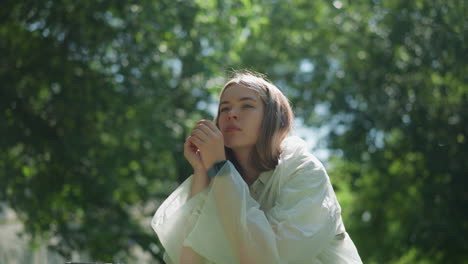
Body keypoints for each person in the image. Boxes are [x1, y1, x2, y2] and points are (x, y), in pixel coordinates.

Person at [151, 72, 362, 263]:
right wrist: (202, 172)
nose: (231, 114)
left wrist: (218, 167)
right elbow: (187, 259)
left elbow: (271, 259)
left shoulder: (305, 172)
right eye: (224, 108)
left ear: (272, 118)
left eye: (247, 105)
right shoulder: (218, 176)